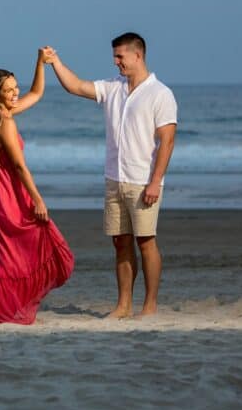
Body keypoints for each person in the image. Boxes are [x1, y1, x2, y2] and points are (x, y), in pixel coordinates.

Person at [47, 32, 177, 318]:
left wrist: (155, 181)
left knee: (146, 241)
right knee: (120, 241)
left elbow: (167, 141)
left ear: (137, 55)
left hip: (143, 180)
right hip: (114, 178)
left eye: (120, 57)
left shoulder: (160, 94)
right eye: (114, 57)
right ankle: (123, 305)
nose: (116, 62)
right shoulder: (113, 88)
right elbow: (76, 86)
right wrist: (55, 62)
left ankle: (150, 305)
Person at [0, 48, 74, 325]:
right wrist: (38, 199)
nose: (15, 94)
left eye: (15, 88)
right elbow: (19, 166)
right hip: (6, 192)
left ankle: (0, 309)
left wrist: (41, 63)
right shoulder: (5, 121)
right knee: (20, 248)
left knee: (6, 253)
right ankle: (1, 310)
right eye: (9, 91)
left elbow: (36, 93)